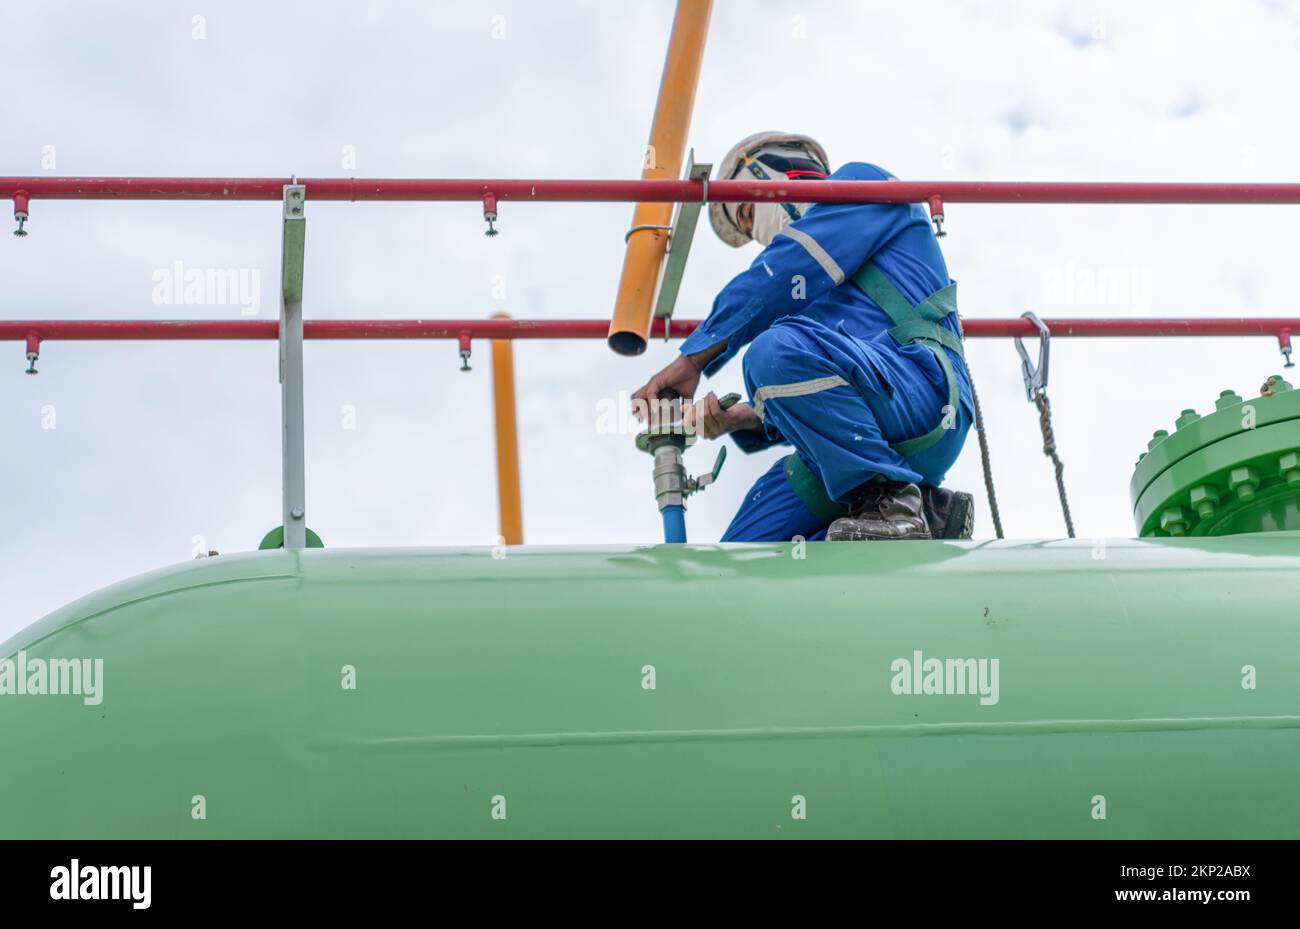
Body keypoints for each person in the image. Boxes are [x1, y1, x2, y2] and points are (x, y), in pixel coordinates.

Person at [631, 132, 975, 542]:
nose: (756, 233)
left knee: (772, 354)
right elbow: (832, 395)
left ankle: (893, 505)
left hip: (923, 392)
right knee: (742, 554)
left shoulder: (863, 184)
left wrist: (693, 359)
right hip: (859, 443)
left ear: (769, 169)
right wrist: (748, 418)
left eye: (746, 214)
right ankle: (919, 515)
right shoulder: (807, 306)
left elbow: (784, 267)